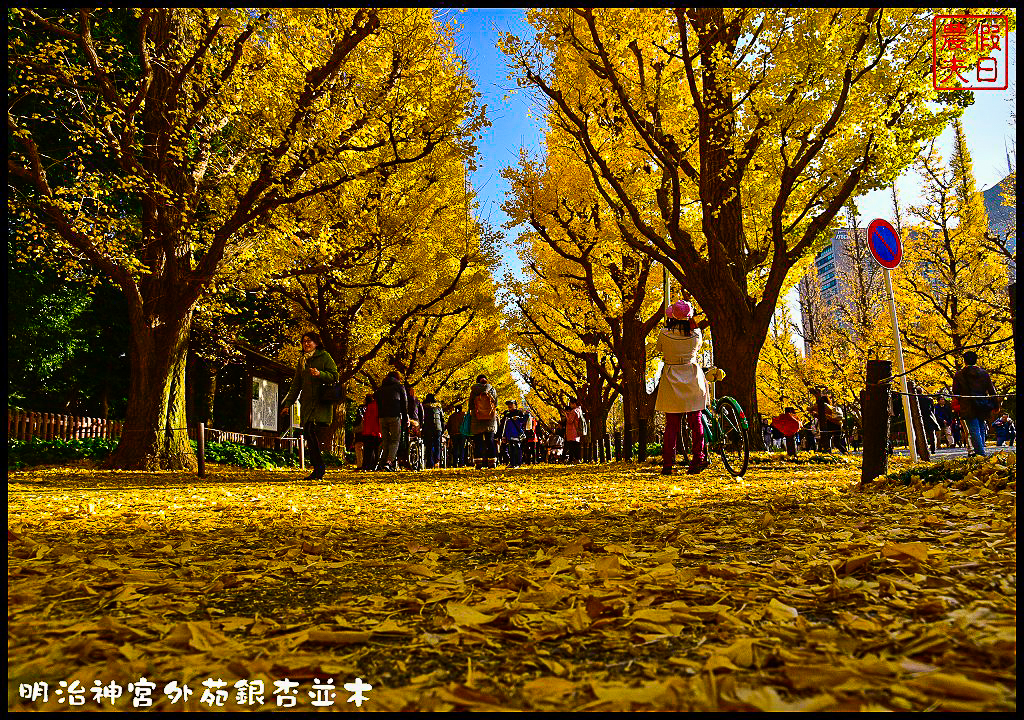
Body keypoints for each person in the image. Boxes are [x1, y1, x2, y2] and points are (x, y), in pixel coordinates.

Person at [654, 299, 709, 475]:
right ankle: (698, 458)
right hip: (692, 376)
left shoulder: (664, 333)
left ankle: (668, 463)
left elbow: (659, 348)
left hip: (671, 377)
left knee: (672, 424)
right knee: (696, 421)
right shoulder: (697, 334)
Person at [280, 332, 338, 481]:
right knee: (309, 435)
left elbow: (334, 375)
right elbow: (296, 384)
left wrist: (320, 374)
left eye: (310, 341)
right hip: (307, 403)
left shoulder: (325, 356)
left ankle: (319, 469)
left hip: (320, 402)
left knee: (311, 432)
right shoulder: (302, 360)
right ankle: (318, 467)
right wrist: (288, 404)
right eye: (304, 341)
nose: (306, 344)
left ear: (316, 343)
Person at [952, 351, 999, 457]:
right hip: (982, 403)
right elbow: (992, 390)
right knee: (981, 427)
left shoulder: (959, 374)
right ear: (976, 360)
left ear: (964, 361)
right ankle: (981, 451)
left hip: (968, 404)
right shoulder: (984, 373)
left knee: (973, 429)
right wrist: (996, 405)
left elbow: (956, 391)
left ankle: (980, 454)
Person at [374, 371, 407, 471]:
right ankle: (389, 462)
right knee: (395, 440)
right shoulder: (399, 387)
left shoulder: (381, 388)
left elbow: (376, 399)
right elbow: (404, 403)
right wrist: (405, 418)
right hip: (394, 416)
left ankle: (381, 462)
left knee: (385, 441)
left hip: (382, 417)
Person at [467, 374, 498, 469]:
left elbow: (471, 405)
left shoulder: (473, 391)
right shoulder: (492, 389)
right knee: (490, 441)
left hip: (477, 419)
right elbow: (496, 403)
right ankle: (492, 462)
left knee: (478, 442)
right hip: (490, 419)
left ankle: (478, 463)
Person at [498, 400, 528, 468]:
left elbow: (523, 421)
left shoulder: (519, 412)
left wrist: (526, 415)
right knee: (510, 450)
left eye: (511, 404)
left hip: (516, 434)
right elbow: (503, 425)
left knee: (517, 449)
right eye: (508, 404)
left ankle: (518, 463)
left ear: (515, 405)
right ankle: (512, 463)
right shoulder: (506, 414)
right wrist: (503, 436)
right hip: (509, 434)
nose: (509, 405)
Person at [357, 394, 382, 471]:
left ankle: (366, 466)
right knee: (376, 450)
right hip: (376, 431)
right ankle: (374, 466)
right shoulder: (379, 406)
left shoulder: (368, 407)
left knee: (367, 450)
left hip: (367, 431)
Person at [421, 393, 445, 469]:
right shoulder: (438, 407)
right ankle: (437, 461)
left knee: (429, 445)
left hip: (428, 428)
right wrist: (442, 429)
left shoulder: (424, 407)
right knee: (437, 444)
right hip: (438, 428)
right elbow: (442, 419)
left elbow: (422, 418)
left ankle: (430, 462)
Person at [914, 383, 939, 454]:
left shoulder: (913, 400)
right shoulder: (928, 399)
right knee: (932, 435)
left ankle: (918, 449)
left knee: (918, 434)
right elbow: (932, 410)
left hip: (918, 418)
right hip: (929, 418)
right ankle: (933, 449)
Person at [446, 403, 467, 468]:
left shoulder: (452, 416)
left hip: (454, 433)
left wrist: (450, 433)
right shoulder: (464, 416)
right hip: (462, 433)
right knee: (461, 448)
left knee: (455, 448)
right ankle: (461, 463)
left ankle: (455, 463)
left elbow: (448, 426)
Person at [564, 399, 584, 465]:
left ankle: (572, 459)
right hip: (577, 430)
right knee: (577, 445)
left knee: (572, 446)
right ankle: (578, 459)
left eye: (571, 404)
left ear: (574, 404)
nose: (570, 405)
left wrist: (566, 414)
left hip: (572, 430)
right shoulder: (579, 410)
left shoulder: (574, 411)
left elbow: (570, 420)